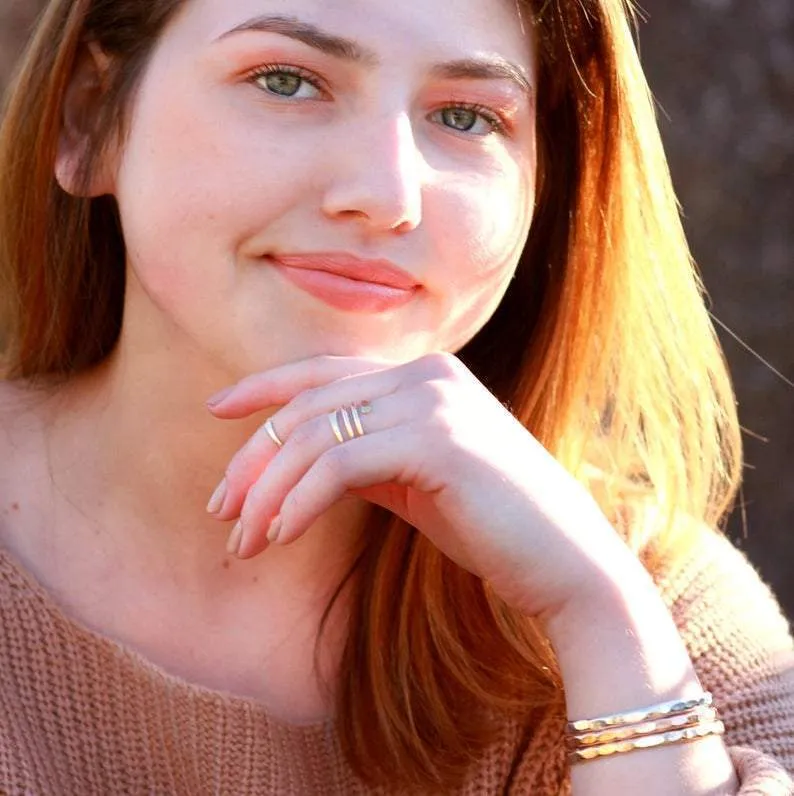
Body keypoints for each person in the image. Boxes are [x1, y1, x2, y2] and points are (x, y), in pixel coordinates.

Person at [0, 0, 791, 793]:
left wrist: (608, 635)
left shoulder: (664, 613)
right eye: (286, 80)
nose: (386, 194)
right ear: (91, 118)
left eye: (467, 116)